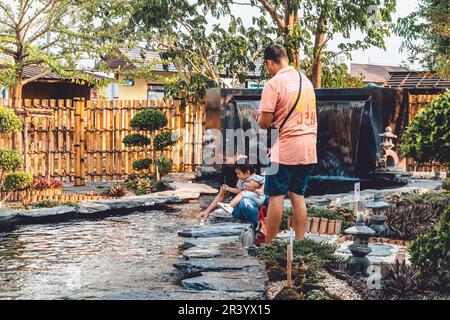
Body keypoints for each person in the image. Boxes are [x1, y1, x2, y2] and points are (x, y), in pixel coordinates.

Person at [256, 44, 317, 243]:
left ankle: (270, 244)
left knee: (276, 196)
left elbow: (265, 123)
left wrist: (257, 117)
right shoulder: (305, 80)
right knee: (298, 195)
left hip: (285, 149)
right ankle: (300, 242)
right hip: (308, 148)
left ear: (269, 63)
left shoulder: (274, 84)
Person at [197, 164, 264, 223]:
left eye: (238, 173)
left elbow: (266, 181)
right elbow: (222, 194)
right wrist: (207, 211)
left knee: (244, 201)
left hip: (258, 200)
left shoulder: (253, 174)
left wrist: (260, 188)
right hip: (239, 206)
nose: (237, 175)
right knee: (242, 199)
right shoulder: (232, 173)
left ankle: (258, 224)